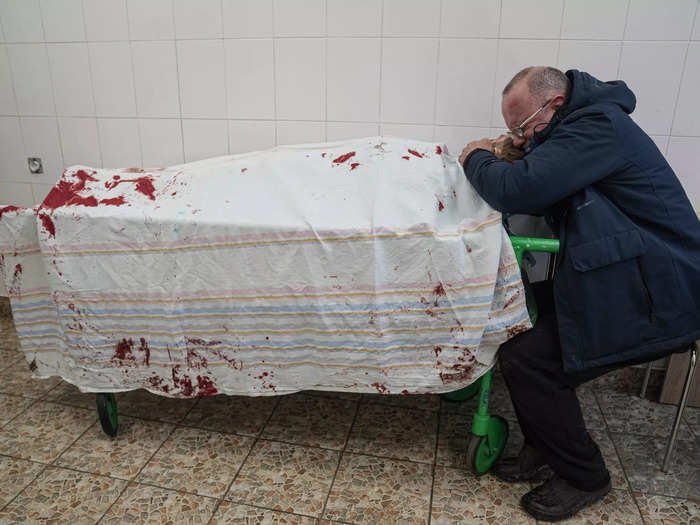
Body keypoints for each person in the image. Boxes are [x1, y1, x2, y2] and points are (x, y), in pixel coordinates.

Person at [459, 66, 700, 522]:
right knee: (520, 326)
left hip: (663, 292)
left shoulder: (598, 127)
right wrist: (514, 155)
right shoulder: (584, 126)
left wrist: (476, 157)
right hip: (635, 274)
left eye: (524, 128)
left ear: (553, 104)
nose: (523, 140)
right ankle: (544, 447)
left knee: (530, 359)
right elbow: (543, 190)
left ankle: (585, 476)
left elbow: (520, 190)